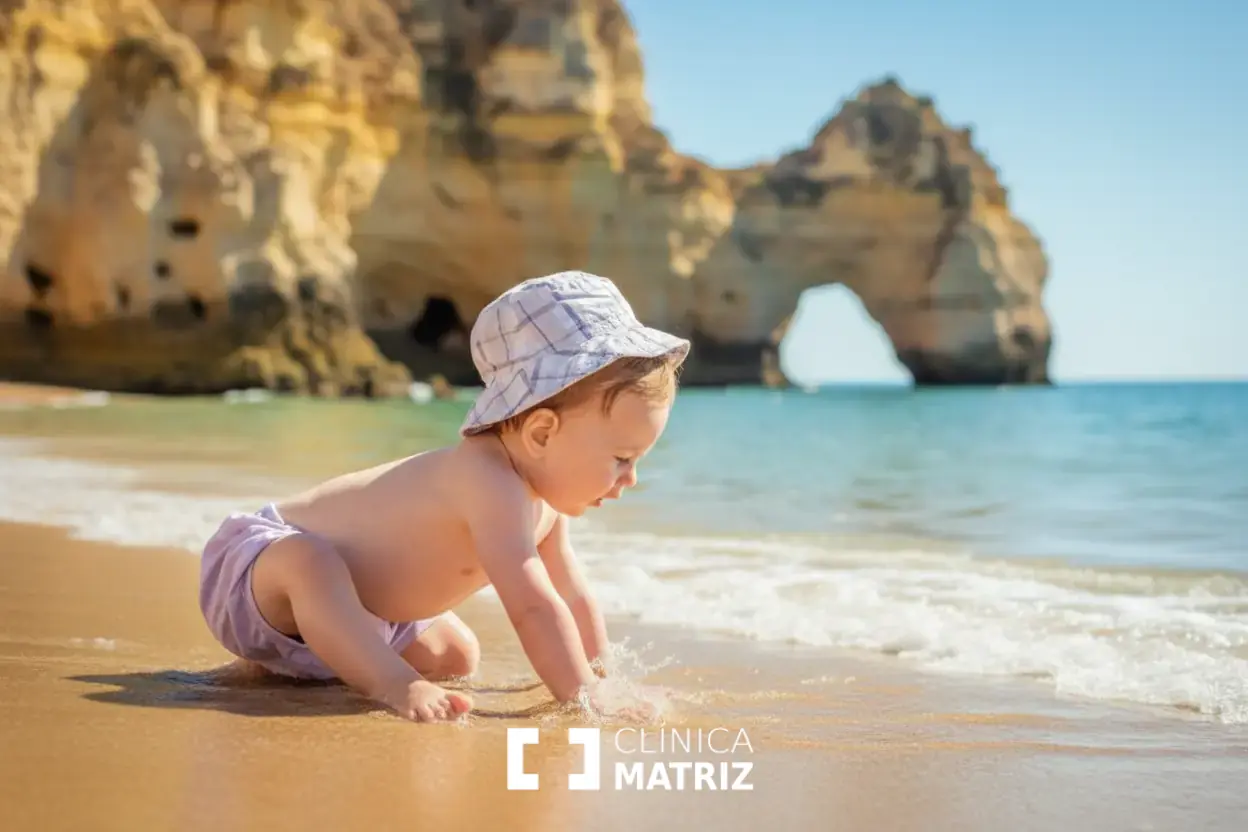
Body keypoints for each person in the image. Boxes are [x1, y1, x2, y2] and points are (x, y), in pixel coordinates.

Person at [198, 271, 691, 722]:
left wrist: (605, 676)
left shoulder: (541, 503)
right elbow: (534, 608)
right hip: (266, 571)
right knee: (310, 563)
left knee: (457, 657)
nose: (630, 478)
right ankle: (389, 682)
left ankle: (294, 667)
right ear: (542, 434)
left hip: (370, 615)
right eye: (623, 458)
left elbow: (571, 596)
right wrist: (583, 696)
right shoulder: (487, 479)